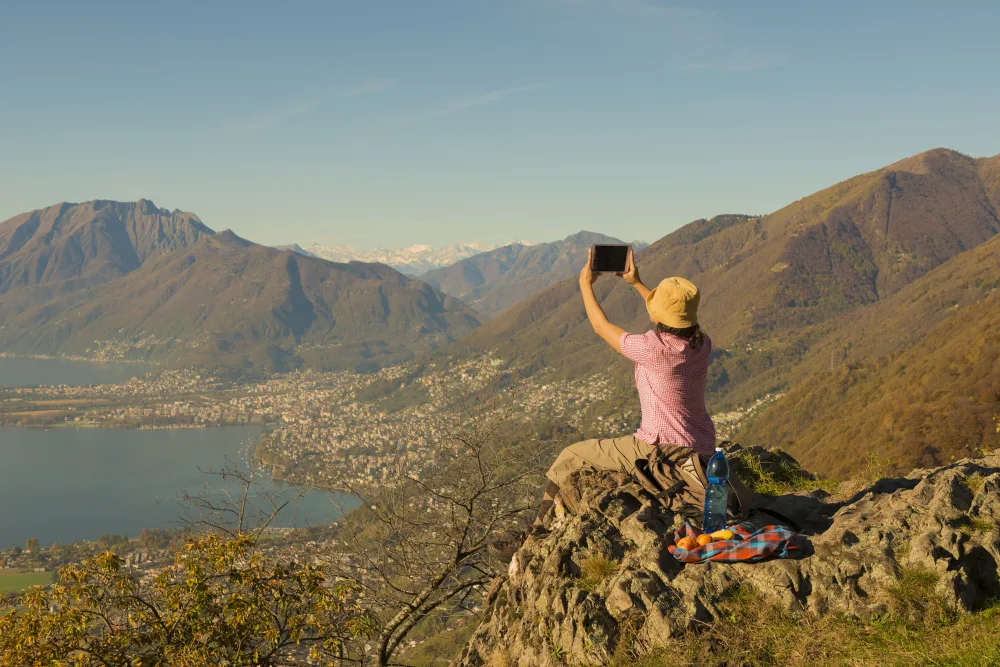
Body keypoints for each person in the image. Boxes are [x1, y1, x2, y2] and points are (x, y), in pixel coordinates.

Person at [489, 248, 716, 559]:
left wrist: (585, 284)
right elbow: (665, 316)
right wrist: (637, 283)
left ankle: (534, 533)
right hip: (701, 448)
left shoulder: (654, 348)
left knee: (568, 457)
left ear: (659, 316)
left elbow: (600, 326)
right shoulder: (700, 343)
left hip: (660, 449)